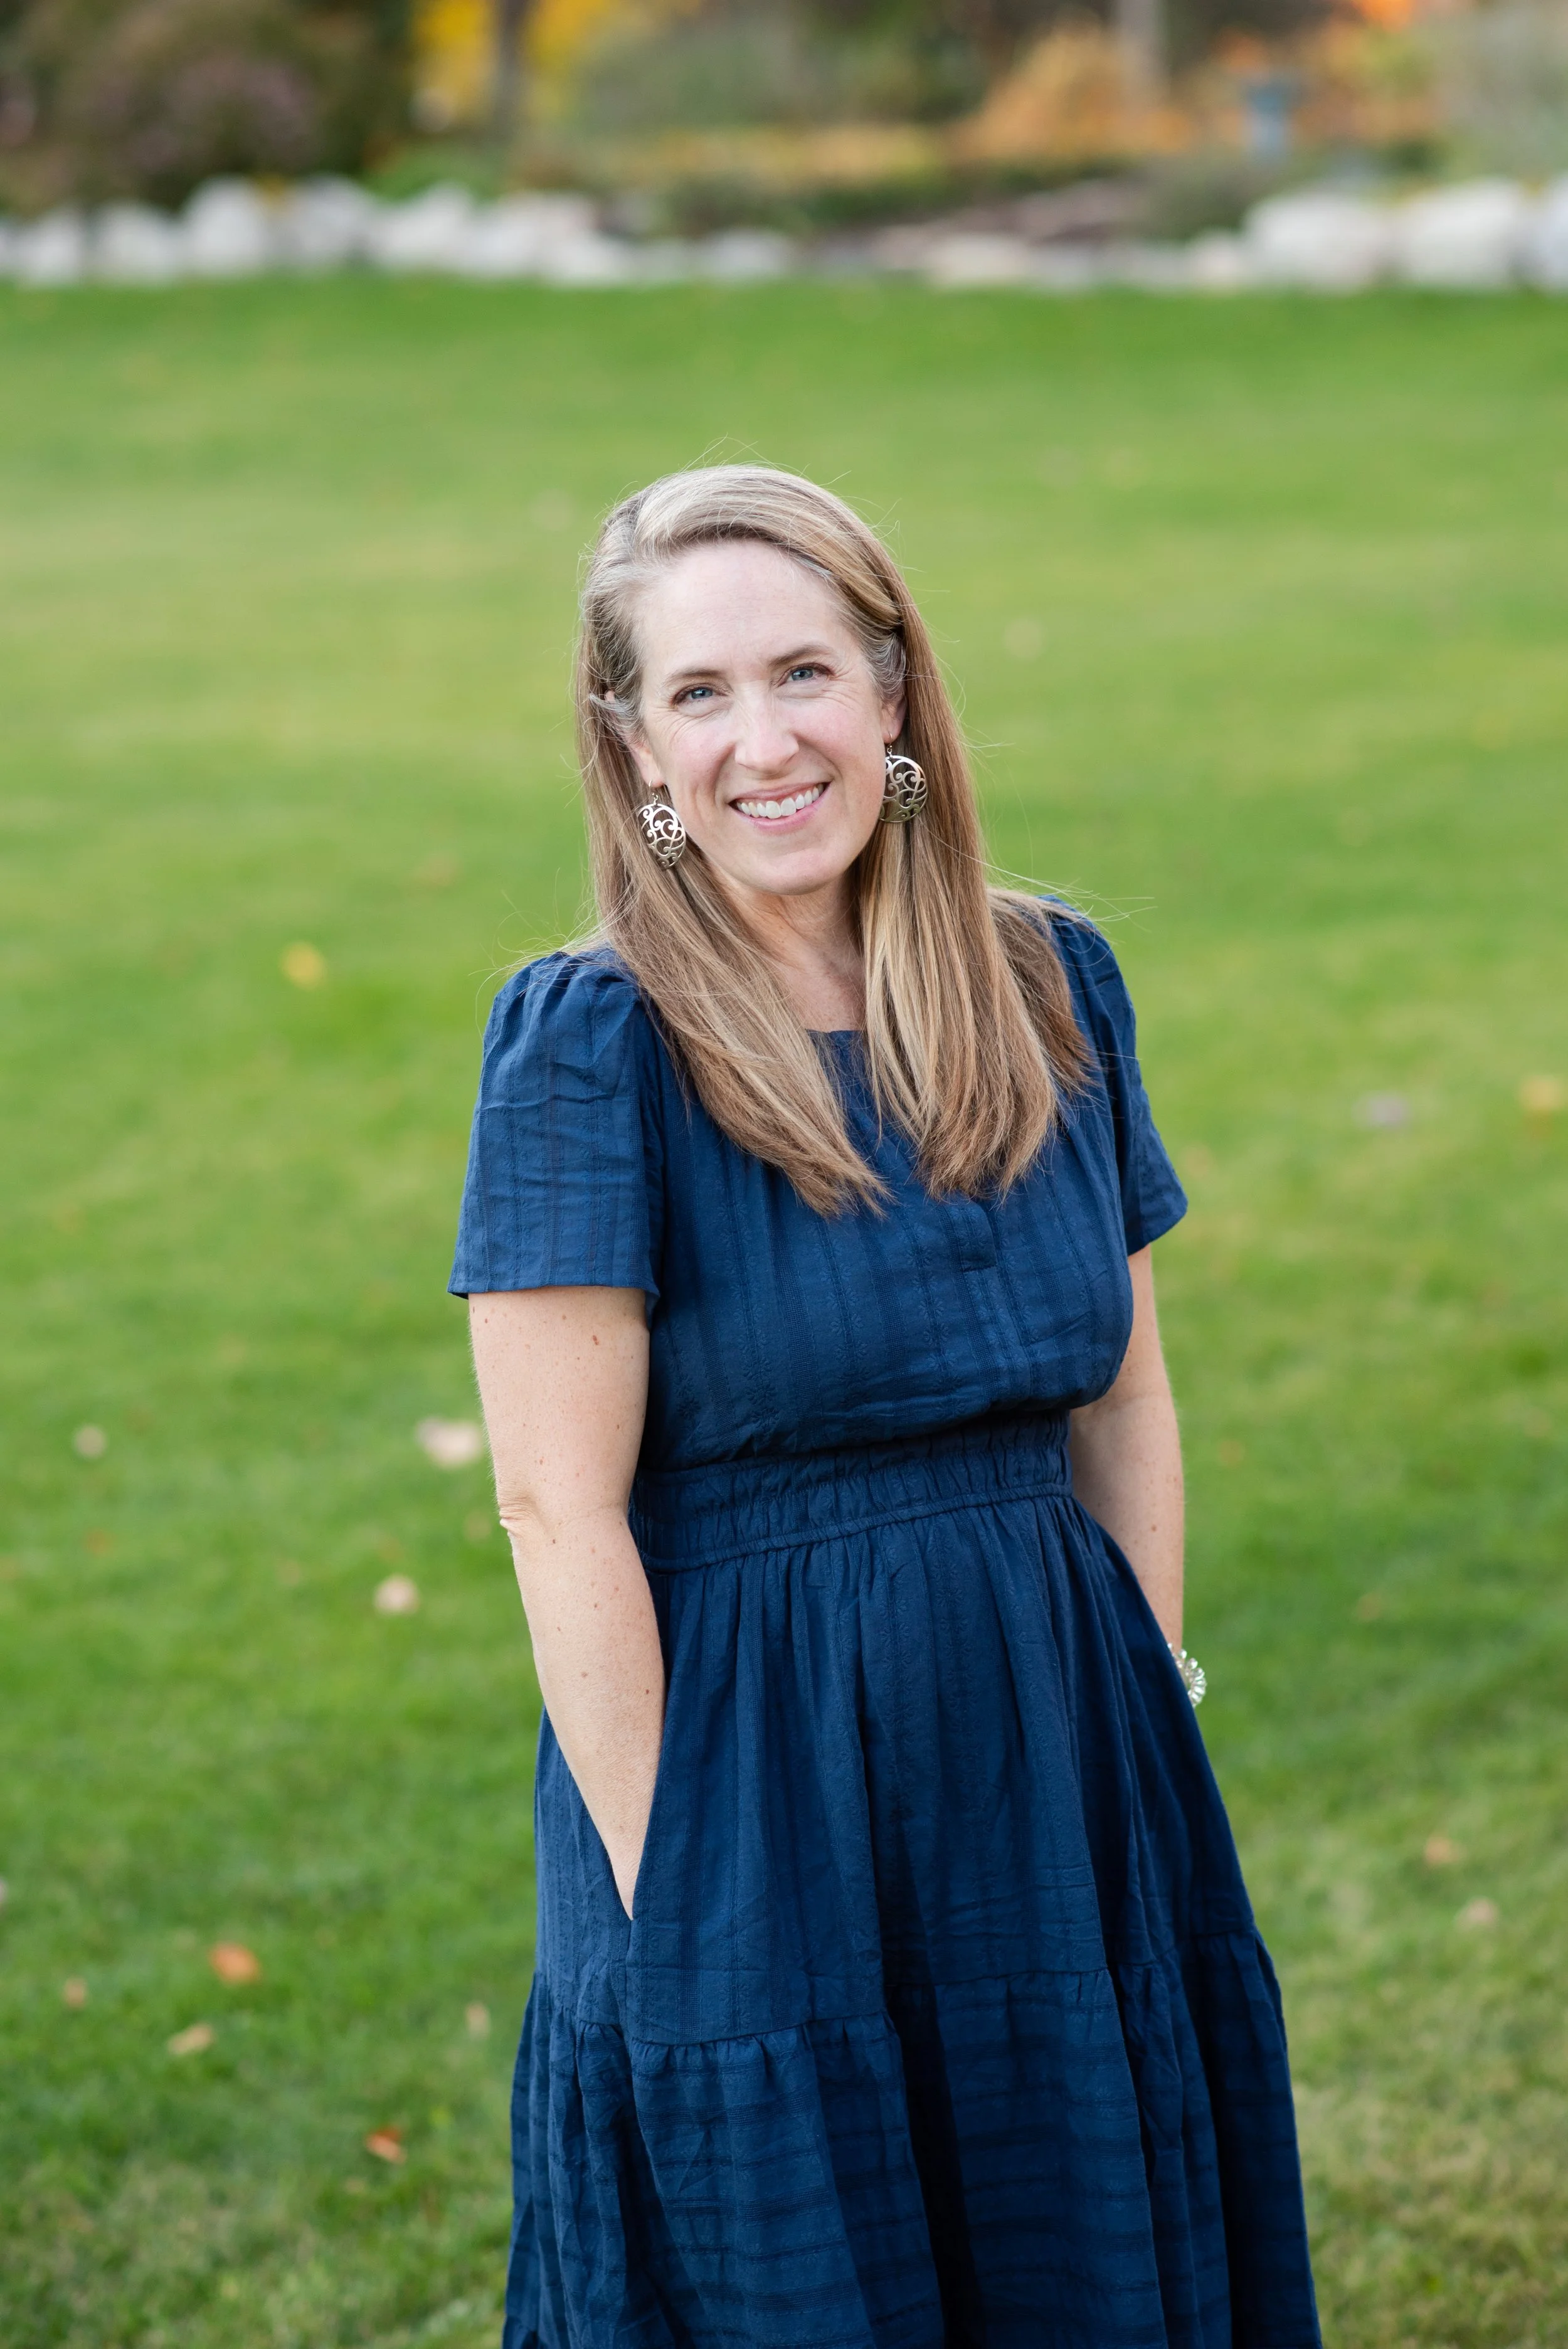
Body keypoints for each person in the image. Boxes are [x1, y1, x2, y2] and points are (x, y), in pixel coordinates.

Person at [452, 465, 1320, 2349]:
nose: (763, 741)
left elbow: (1127, 1386)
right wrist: (661, 1864)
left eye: (804, 674)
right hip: (742, 1768)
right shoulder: (590, 1044)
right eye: (696, 694)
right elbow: (553, 1505)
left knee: (1068, 2238)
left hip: (1048, 1730)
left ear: (896, 693)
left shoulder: (1044, 981)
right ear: (632, 743)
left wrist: (1135, 1703)